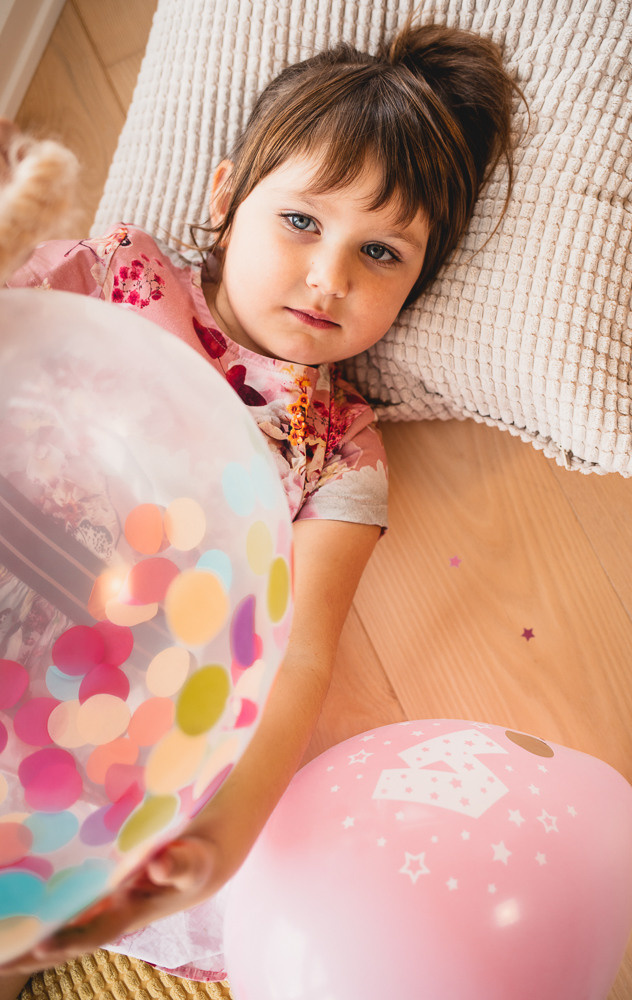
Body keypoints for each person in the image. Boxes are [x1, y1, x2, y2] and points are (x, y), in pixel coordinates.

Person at [0, 19, 519, 992]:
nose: (331, 277)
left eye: (384, 255)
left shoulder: (339, 448)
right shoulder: (115, 271)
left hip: (77, 728)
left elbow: (298, 660)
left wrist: (222, 839)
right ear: (226, 196)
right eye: (301, 223)